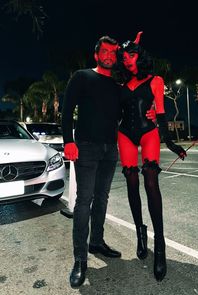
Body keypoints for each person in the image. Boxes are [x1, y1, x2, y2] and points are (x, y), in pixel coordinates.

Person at [115, 32, 187, 281]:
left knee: (150, 181)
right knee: (131, 182)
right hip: (125, 134)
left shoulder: (155, 80)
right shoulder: (121, 85)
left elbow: (161, 114)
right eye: (123, 58)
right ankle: (140, 233)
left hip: (149, 134)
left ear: (140, 56)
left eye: (131, 55)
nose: (127, 60)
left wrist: (171, 143)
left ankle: (160, 246)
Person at [61, 35, 122, 288]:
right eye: (104, 51)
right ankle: (80, 259)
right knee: (84, 201)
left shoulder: (117, 86)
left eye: (112, 52)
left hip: (110, 149)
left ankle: (97, 241)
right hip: (85, 146)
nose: (109, 55)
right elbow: (66, 110)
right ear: (97, 54)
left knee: (103, 197)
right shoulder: (82, 77)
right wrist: (68, 141)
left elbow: (125, 114)